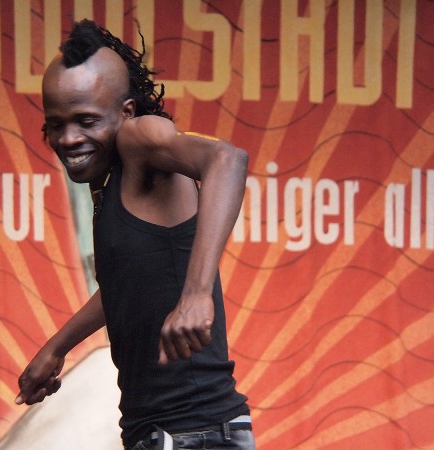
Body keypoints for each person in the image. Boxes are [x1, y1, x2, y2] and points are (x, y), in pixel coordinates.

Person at [14, 19, 255, 450]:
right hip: (160, 433)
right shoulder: (110, 179)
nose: (69, 138)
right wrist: (57, 347)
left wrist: (197, 293)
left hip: (195, 434)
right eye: (56, 124)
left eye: (86, 120)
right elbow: (127, 284)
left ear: (125, 112)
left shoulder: (140, 137)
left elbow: (227, 159)